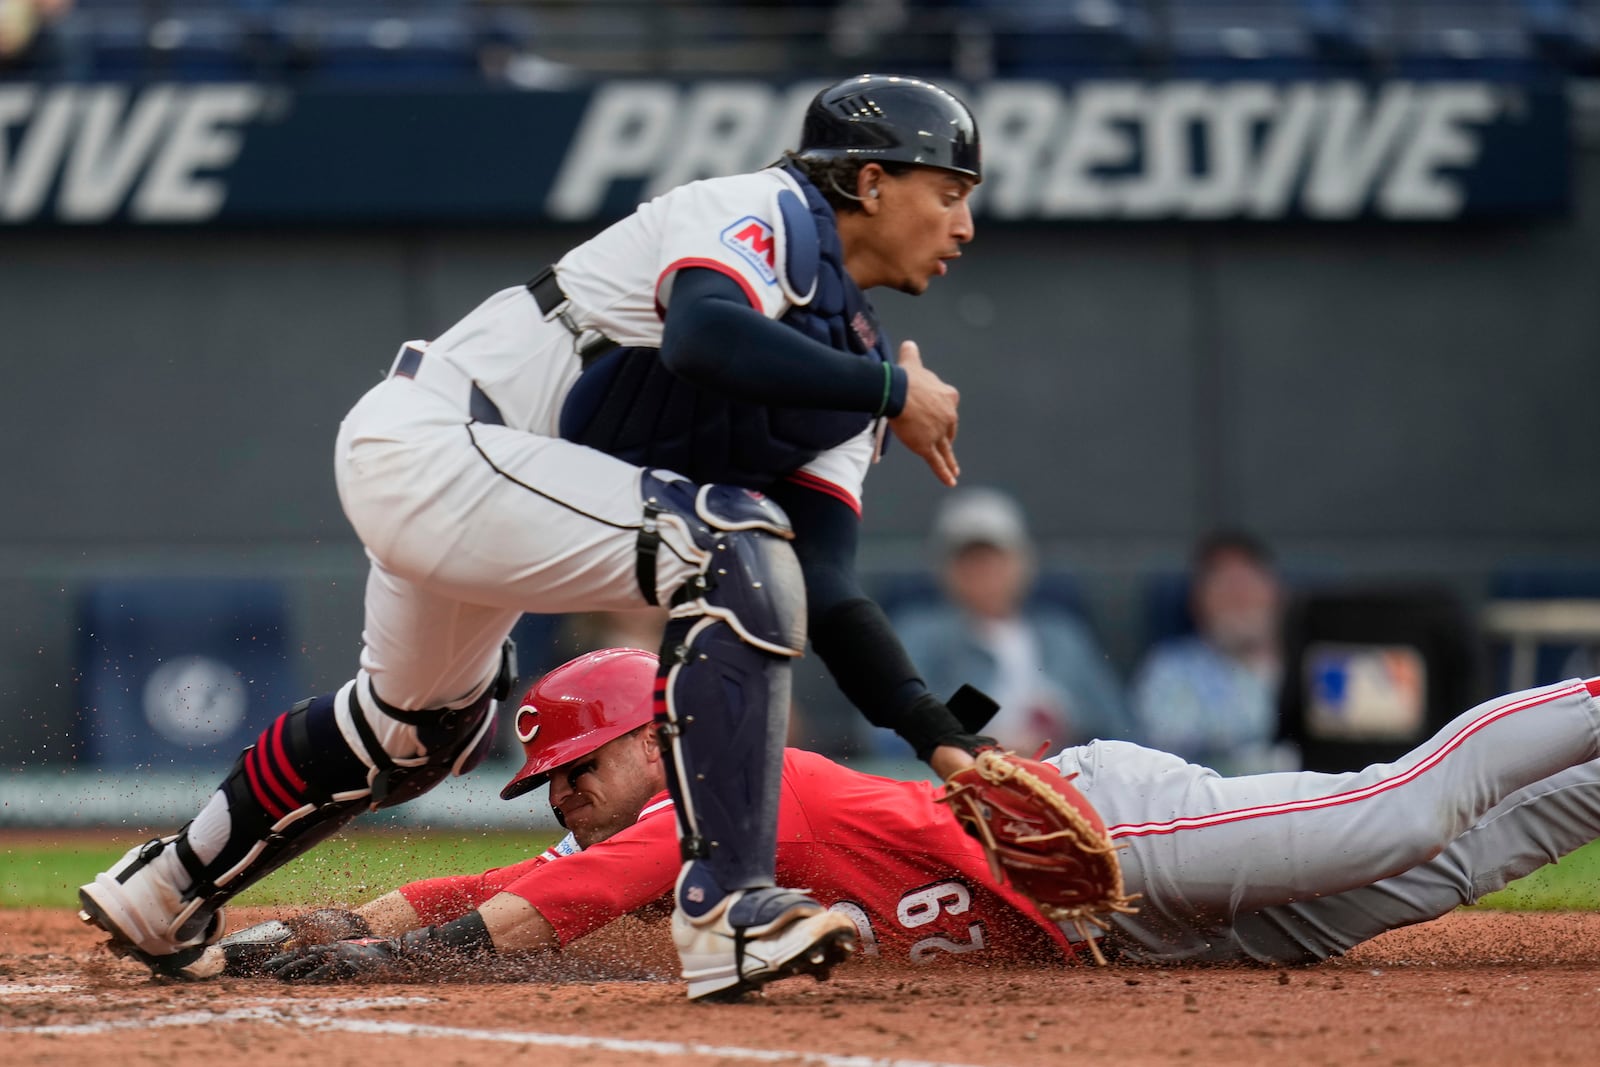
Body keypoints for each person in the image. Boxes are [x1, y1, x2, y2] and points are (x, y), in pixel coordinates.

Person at [78, 73, 995, 1002]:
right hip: (439, 435)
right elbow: (706, 338)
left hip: (497, 491)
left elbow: (826, 586)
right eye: (950, 194)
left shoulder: (858, 377)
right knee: (728, 545)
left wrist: (952, 739)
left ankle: (164, 888)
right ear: (872, 183)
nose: (964, 226)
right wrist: (889, 395)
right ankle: (727, 908)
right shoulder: (761, 209)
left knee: (413, 732)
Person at [226, 647, 1600, 978]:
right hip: (1121, 944)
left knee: (1409, 811)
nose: (564, 801)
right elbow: (480, 886)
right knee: (1484, 852)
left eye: (574, 771)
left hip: (1102, 838)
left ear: (647, 740)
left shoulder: (714, 796)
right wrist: (271, 934)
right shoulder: (662, 829)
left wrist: (367, 959)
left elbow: (535, 912)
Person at [894, 486, 1133, 754]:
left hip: (1062, 779)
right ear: (946, 571)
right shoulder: (921, 634)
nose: (984, 574)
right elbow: (886, 734)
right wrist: (983, 739)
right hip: (962, 781)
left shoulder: (1062, 635)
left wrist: (1061, 725)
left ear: (1023, 563)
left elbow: (1119, 727)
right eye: (970, 562)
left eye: (995, 561)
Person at [1132, 530, 1294, 774]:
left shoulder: (1318, 661)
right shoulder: (1171, 668)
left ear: (1278, 592)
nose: (1240, 596)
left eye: (1249, 582)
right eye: (1223, 584)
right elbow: (1163, 744)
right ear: (1197, 603)